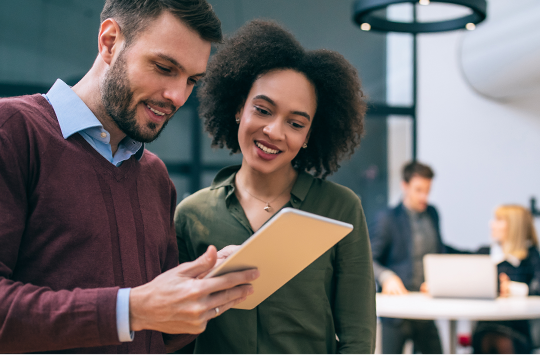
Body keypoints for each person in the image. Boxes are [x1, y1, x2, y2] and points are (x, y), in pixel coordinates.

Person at [0, 1, 259, 354]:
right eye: (164, 67)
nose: (177, 96)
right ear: (110, 41)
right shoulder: (6, 130)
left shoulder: (155, 177)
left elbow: (155, 335)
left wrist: (201, 293)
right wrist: (130, 309)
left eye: (192, 80)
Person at [174, 20, 376, 355]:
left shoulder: (341, 208)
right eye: (263, 110)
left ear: (310, 135)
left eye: (295, 123)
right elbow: (177, 336)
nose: (274, 131)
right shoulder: (192, 215)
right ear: (240, 108)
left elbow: (358, 337)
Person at [370, 161, 446, 355]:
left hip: (426, 308)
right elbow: (369, 259)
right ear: (404, 186)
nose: (424, 197)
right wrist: (387, 276)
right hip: (397, 312)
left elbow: (440, 251)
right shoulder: (387, 218)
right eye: (418, 190)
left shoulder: (433, 214)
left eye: (428, 190)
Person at [471, 205, 540, 355]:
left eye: (499, 220)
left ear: (515, 226)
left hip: (516, 329)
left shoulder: (531, 257)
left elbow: (538, 286)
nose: (491, 224)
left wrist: (512, 289)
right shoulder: (484, 253)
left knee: (501, 342)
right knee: (489, 339)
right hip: (485, 327)